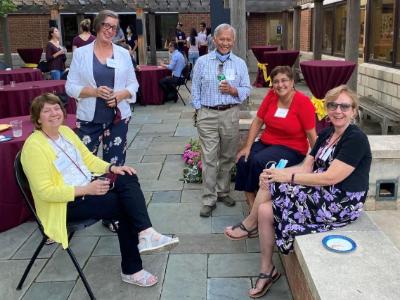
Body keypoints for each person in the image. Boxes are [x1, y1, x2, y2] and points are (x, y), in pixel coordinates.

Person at [225, 85, 372, 298]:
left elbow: (331, 177)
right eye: (333, 105)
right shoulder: (327, 133)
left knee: (276, 184)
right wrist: (275, 173)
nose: (338, 111)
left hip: (340, 200)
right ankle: (267, 270)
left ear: (354, 111)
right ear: (327, 108)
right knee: (268, 200)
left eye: (344, 106)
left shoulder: (355, 139)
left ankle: (249, 223)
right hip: (321, 190)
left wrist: (286, 177)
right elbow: (306, 167)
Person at [21, 93, 179, 287]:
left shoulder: (66, 132)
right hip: (65, 204)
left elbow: (88, 159)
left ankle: (146, 232)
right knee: (122, 205)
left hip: (89, 185)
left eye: (56, 108)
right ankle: (132, 269)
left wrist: (111, 168)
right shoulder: (33, 147)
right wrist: (87, 189)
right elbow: (46, 192)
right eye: (46, 111)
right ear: (37, 118)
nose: (54, 113)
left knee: (126, 176)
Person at [66, 10, 138, 232]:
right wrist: (94, 92)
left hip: (118, 120)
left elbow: (134, 85)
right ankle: (74, 211)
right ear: (97, 26)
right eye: (106, 26)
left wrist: (120, 95)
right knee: (80, 165)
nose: (110, 31)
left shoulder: (123, 54)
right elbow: (70, 87)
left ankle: (111, 214)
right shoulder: (81, 54)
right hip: (89, 120)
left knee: (114, 167)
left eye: (114, 27)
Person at [233, 66, 317, 209]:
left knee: (258, 161)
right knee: (243, 159)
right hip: (268, 142)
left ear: (292, 82)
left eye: (284, 80)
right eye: (276, 81)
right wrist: (247, 146)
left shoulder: (303, 102)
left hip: (292, 148)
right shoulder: (271, 96)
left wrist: (316, 158)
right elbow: (258, 121)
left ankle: (259, 198)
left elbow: (311, 134)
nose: (280, 85)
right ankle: (250, 196)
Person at [191, 23, 251, 217]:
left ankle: (223, 191)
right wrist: (199, 109)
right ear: (215, 40)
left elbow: (247, 89)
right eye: (222, 39)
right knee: (209, 158)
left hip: (230, 114)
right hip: (207, 114)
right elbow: (195, 87)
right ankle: (209, 199)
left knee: (227, 156)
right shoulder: (202, 61)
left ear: (233, 41)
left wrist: (234, 90)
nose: (225, 43)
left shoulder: (240, 63)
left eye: (229, 39)